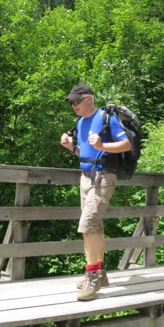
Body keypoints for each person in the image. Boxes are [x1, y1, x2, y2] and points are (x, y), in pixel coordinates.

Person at [60, 84, 131, 301]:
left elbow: (126, 145)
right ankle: (99, 273)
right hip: (85, 177)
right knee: (95, 227)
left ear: (88, 99)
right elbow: (86, 152)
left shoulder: (106, 118)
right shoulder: (80, 122)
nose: (74, 105)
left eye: (76, 101)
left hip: (103, 176)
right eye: (71, 102)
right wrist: (70, 147)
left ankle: (91, 276)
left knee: (87, 226)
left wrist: (102, 145)